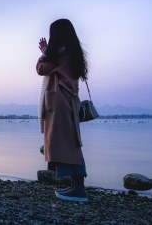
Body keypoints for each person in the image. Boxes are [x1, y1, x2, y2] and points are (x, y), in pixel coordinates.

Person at [37, 18, 89, 202]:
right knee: (72, 142)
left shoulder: (60, 53)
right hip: (68, 102)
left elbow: (41, 68)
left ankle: (79, 189)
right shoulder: (73, 52)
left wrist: (44, 53)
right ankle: (76, 186)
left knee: (69, 145)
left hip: (60, 103)